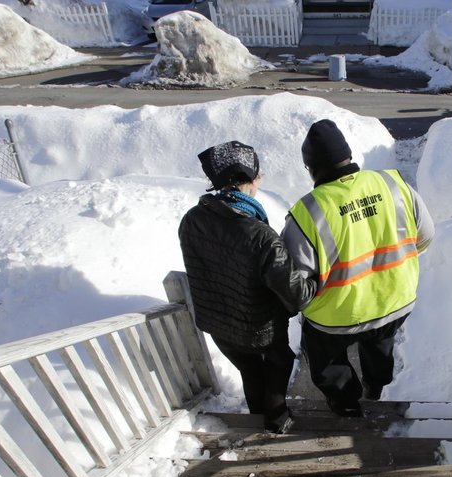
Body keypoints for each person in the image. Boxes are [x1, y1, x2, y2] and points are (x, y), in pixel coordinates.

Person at [281, 119, 435, 417]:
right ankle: (375, 389)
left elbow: (297, 281)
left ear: (311, 169)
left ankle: (345, 403)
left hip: (335, 319)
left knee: (325, 355)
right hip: (394, 303)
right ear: (347, 156)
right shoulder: (393, 184)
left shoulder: (307, 211)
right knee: (380, 341)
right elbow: (425, 236)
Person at [179, 141, 315, 433]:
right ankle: (277, 418)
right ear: (249, 180)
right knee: (280, 361)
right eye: (258, 173)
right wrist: (317, 279)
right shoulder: (261, 236)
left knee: (250, 369)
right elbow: (297, 295)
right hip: (258, 329)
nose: (260, 178)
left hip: (218, 325)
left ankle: (257, 418)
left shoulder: (192, 219)